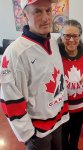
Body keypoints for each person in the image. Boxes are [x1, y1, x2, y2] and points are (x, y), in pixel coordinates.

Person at [0, 0, 69, 150]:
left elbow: (59, 80)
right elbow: (9, 98)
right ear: (25, 15)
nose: (46, 17)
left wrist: (63, 113)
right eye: (37, 11)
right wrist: (29, 134)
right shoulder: (14, 53)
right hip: (37, 131)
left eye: (48, 10)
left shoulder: (53, 43)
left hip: (58, 121)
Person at [57, 19, 83, 150]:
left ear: (80, 37)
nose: (71, 40)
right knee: (62, 138)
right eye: (67, 36)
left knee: (75, 135)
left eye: (75, 36)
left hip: (81, 107)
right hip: (62, 108)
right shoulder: (55, 58)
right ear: (61, 36)